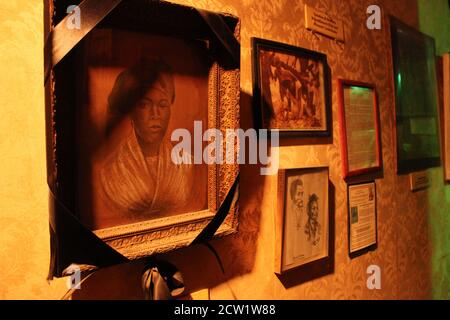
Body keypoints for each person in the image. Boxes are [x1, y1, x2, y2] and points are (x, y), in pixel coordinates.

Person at [99, 58, 194, 219]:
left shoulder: (185, 163)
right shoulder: (111, 171)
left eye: (162, 105)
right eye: (144, 105)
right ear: (131, 112)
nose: (155, 114)